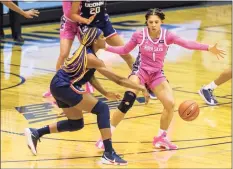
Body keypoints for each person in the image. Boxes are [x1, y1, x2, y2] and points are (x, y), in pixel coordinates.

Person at [95, 8, 225, 150]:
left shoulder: (167, 36)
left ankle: (161, 138)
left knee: (170, 104)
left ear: (161, 22)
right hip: (140, 72)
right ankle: (105, 137)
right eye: (150, 22)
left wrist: (208, 48)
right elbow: (124, 50)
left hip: (156, 74)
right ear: (147, 23)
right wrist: (106, 47)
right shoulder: (140, 35)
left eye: (156, 22)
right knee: (127, 101)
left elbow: (187, 44)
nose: (153, 24)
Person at [24, 27, 148, 165]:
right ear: (94, 41)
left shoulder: (85, 52)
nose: (105, 39)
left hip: (58, 85)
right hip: (64, 86)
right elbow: (118, 80)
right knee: (102, 109)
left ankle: (36, 132)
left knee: (75, 123)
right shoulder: (91, 58)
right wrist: (141, 87)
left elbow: (90, 77)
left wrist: (105, 93)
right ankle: (108, 153)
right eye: (102, 37)